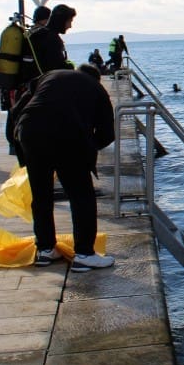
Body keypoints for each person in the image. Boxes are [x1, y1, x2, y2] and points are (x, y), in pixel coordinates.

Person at [8, 64, 116, 271]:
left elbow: (17, 109)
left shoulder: (50, 75)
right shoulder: (96, 89)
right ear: (98, 79)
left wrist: (17, 141)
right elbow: (107, 134)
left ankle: (45, 249)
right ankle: (84, 254)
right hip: (68, 136)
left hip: (30, 131)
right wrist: (88, 145)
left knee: (41, 195)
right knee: (81, 195)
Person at [27, 4, 76, 74]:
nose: (70, 26)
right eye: (69, 21)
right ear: (61, 21)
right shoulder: (51, 38)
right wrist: (71, 66)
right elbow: (57, 68)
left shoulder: (40, 34)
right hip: (43, 82)